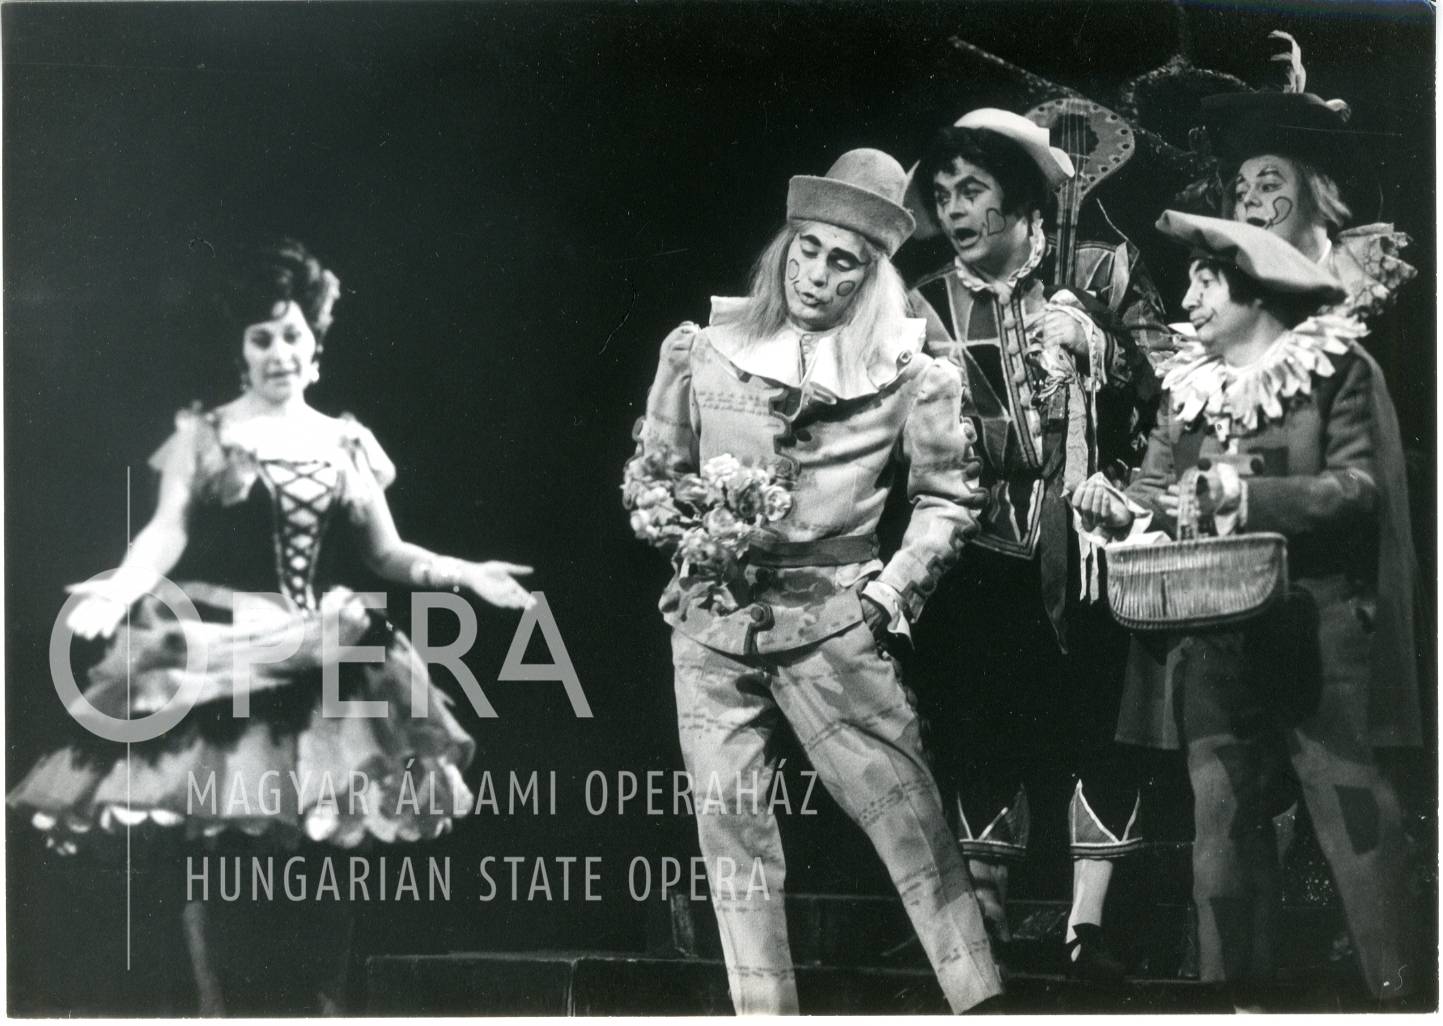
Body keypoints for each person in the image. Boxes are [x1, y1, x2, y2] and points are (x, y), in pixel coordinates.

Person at [9, 239, 536, 1014]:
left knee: (324, 850)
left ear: (315, 343)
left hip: (321, 655)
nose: (279, 352)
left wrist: (464, 572)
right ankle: (220, 1014)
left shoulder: (343, 441)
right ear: (241, 350)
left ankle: (319, 1011)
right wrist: (120, 588)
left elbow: (387, 553)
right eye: (262, 337)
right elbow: (164, 532)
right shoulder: (207, 435)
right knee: (218, 849)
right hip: (219, 657)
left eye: (292, 334)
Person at [623, 149, 1003, 1013]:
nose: (817, 276)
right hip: (711, 624)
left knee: (905, 817)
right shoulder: (700, 352)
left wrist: (888, 594)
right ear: (784, 248)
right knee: (731, 834)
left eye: (843, 262)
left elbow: (947, 500)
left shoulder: (910, 372)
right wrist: (687, 530)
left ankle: (982, 1004)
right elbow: (653, 474)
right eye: (807, 250)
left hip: (834, 622)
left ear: (869, 277)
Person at [1072, 212, 1420, 1005]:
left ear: (1255, 290)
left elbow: (1360, 489)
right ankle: (1237, 1001)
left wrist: (1246, 499)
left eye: (1205, 282)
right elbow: (1156, 492)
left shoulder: (1333, 370)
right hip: (1215, 633)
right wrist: (1120, 510)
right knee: (1220, 832)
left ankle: (1401, 995)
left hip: (1318, 635)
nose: (1188, 300)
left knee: (1355, 823)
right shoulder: (1189, 388)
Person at [901, 108, 1171, 978]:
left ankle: (1088, 924)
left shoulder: (1098, 268)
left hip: (1093, 528)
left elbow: (1178, 385)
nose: (954, 209)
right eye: (944, 194)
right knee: (981, 719)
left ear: (1020, 201)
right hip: (980, 536)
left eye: (971, 190)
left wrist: (1101, 351)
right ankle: (983, 909)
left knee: (1098, 716)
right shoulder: (923, 302)